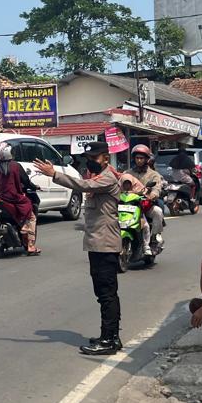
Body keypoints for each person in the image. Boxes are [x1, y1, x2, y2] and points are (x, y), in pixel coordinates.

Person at [33, 139, 124, 356]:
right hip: (97, 244)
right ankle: (110, 336)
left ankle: (109, 340)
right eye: (88, 158)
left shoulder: (107, 177)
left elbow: (83, 186)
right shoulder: (97, 176)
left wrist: (54, 174)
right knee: (102, 293)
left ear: (106, 158)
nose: (90, 162)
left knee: (107, 294)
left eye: (94, 158)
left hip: (105, 245)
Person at [0, 141, 41, 255]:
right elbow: (26, 181)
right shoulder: (15, 166)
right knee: (30, 215)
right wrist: (35, 187)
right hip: (12, 197)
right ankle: (30, 245)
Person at [126, 143, 166, 255]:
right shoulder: (127, 173)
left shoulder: (154, 175)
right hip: (129, 206)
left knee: (158, 212)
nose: (139, 160)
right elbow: (119, 185)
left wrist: (151, 195)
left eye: (141, 158)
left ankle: (154, 239)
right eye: (137, 158)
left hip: (145, 205)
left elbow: (157, 188)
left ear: (146, 159)